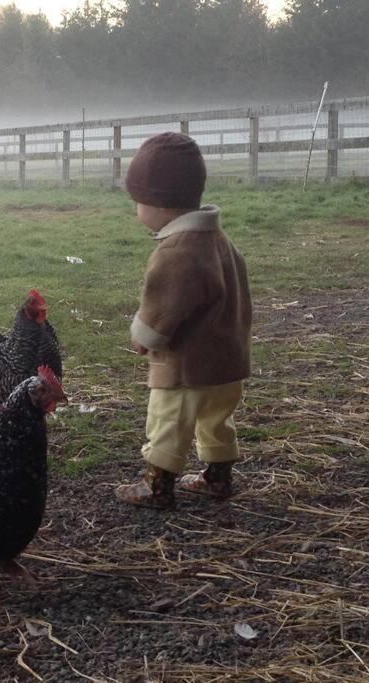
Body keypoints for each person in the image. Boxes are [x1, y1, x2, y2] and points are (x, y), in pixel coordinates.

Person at [114, 132, 252, 509]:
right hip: (226, 363)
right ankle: (217, 477)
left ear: (161, 205)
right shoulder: (220, 241)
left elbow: (163, 308)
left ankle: (157, 486)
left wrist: (146, 337)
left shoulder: (177, 251)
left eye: (138, 202)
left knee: (167, 422)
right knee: (216, 420)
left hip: (186, 369)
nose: (136, 210)